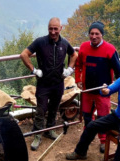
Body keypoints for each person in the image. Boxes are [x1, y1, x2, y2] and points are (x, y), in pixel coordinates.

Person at [20, 17, 78, 151]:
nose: (53, 32)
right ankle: (37, 134)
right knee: (41, 110)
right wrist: (34, 70)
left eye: (55, 29)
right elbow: (24, 54)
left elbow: (74, 55)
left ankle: (50, 130)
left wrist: (70, 69)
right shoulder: (40, 42)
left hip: (58, 82)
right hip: (43, 83)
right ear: (48, 29)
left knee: (54, 108)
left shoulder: (64, 43)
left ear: (60, 28)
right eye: (50, 29)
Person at [75, 21, 120, 153]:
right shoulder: (84, 47)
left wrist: (117, 88)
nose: (94, 36)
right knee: (86, 116)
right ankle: (87, 138)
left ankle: (103, 141)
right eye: (91, 33)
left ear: (102, 35)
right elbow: (78, 64)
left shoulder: (110, 49)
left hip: (103, 92)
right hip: (87, 90)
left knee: (103, 118)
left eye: (97, 33)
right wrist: (77, 79)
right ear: (89, 34)